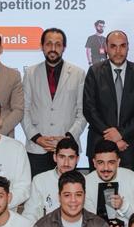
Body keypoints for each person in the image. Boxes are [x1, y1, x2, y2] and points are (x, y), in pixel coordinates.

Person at [82, 30, 134, 169]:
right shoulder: (94, 71)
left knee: (129, 183)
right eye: (113, 46)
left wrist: (121, 134)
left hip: (128, 146)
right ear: (106, 48)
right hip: (99, 144)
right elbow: (89, 109)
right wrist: (111, 135)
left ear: (128, 47)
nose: (118, 51)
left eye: (122, 46)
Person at [22, 27, 86, 176]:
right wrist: (37, 138)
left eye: (58, 44)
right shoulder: (30, 73)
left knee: (68, 188)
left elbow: (83, 112)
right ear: (42, 46)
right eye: (48, 44)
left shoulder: (78, 73)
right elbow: (24, 110)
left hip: (67, 149)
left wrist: (68, 138)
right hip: (37, 148)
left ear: (64, 47)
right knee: (38, 188)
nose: (53, 49)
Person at [23, 137, 80, 220]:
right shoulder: (40, 180)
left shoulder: (85, 181)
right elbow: (30, 213)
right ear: (55, 157)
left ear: (77, 159)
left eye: (71, 157)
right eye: (62, 157)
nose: (66, 163)